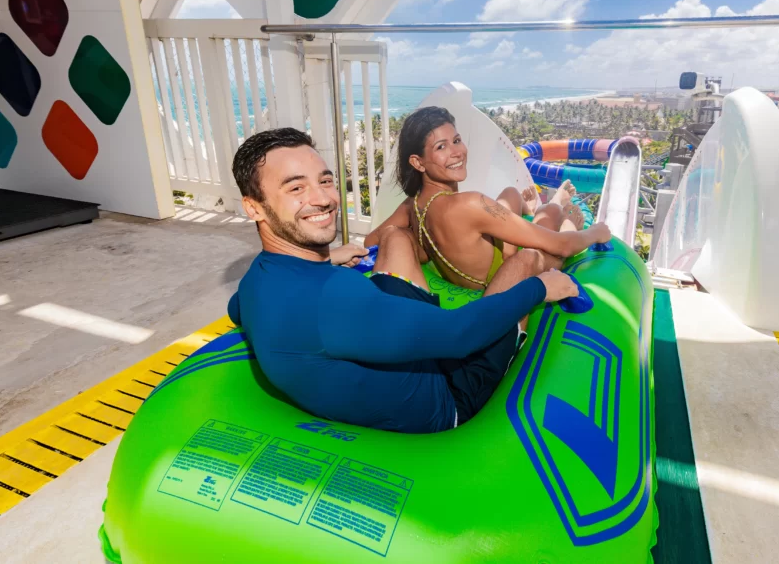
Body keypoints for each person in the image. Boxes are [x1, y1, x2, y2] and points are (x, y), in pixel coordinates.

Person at [226, 127, 579, 434]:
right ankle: (564, 215)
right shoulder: (333, 298)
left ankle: (552, 209)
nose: (323, 199)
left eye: (325, 180)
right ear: (254, 207)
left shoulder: (255, 283)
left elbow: (236, 309)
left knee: (396, 236)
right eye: (295, 189)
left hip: (382, 340)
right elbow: (458, 336)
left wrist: (327, 258)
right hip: (446, 395)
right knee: (528, 261)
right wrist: (541, 288)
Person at [365, 107, 610, 296]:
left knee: (511, 193)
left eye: (457, 140)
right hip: (501, 273)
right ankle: (556, 205)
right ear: (418, 163)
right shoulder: (469, 204)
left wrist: (419, 244)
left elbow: (371, 241)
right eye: (441, 146)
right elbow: (563, 247)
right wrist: (595, 232)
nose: (457, 152)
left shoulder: (412, 205)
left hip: (479, 251)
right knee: (551, 211)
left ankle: (529, 208)